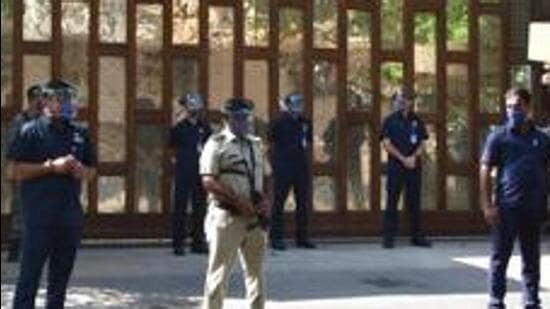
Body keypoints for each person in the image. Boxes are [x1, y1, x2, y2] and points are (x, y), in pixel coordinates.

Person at [10, 79, 97, 309]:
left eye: (70, 98)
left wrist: (81, 171)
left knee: (59, 283)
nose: (68, 103)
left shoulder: (80, 132)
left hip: (68, 218)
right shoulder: (30, 131)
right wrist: (50, 167)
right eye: (62, 98)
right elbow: (14, 171)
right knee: (29, 279)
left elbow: (92, 171)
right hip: (39, 218)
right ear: (47, 101)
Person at [480, 88, 550, 309]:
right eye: (509, 107)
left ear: (528, 108)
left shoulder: (542, 138)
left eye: (517, 106)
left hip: (534, 207)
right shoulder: (498, 137)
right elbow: (485, 169)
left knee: (531, 258)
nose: (513, 111)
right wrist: (487, 205)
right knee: (500, 257)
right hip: (506, 207)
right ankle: (496, 300)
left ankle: (531, 300)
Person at [200, 98, 272, 309]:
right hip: (227, 217)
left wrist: (267, 201)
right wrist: (238, 202)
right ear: (227, 119)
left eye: (246, 118)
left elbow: (268, 175)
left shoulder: (255, 144)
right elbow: (208, 180)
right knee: (218, 275)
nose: (244, 122)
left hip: (255, 219)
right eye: (238, 118)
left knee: (256, 276)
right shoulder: (216, 143)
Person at [380, 86, 431, 249]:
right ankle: (388, 238)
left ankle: (416, 237)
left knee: (414, 202)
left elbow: (423, 143)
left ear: (410, 102)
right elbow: (386, 144)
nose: (402, 102)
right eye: (398, 99)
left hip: (414, 167)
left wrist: (414, 157)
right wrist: (403, 159)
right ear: (394, 102)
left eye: (405, 99)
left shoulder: (417, 121)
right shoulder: (389, 121)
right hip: (396, 167)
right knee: (392, 202)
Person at [5, 84, 47, 263]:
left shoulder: (45, 121)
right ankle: (15, 250)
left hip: (42, 170)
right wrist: (11, 168)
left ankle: (39, 250)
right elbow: (12, 147)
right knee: (20, 209)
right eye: (38, 98)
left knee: (41, 210)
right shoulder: (19, 121)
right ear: (31, 99)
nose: (41, 102)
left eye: (43, 98)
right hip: (23, 170)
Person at [268, 93, 316, 251]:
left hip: (300, 167)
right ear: (287, 106)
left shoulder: (305, 123)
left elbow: (308, 143)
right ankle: (276, 238)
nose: (298, 108)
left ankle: (302, 238)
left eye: (300, 104)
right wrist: (273, 165)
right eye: (294, 104)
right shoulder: (279, 122)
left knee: (302, 203)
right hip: (283, 167)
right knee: (279, 203)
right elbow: (270, 143)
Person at [169, 93, 211, 255]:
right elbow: (171, 146)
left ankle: (198, 242)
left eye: (196, 107)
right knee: (180, 207)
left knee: (200, 208)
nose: (194, 110)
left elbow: (210, 146)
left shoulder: (204, 127)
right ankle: (178, 243)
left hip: (200, 171)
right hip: (183, 171)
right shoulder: (179, 127)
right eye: (191, 106)